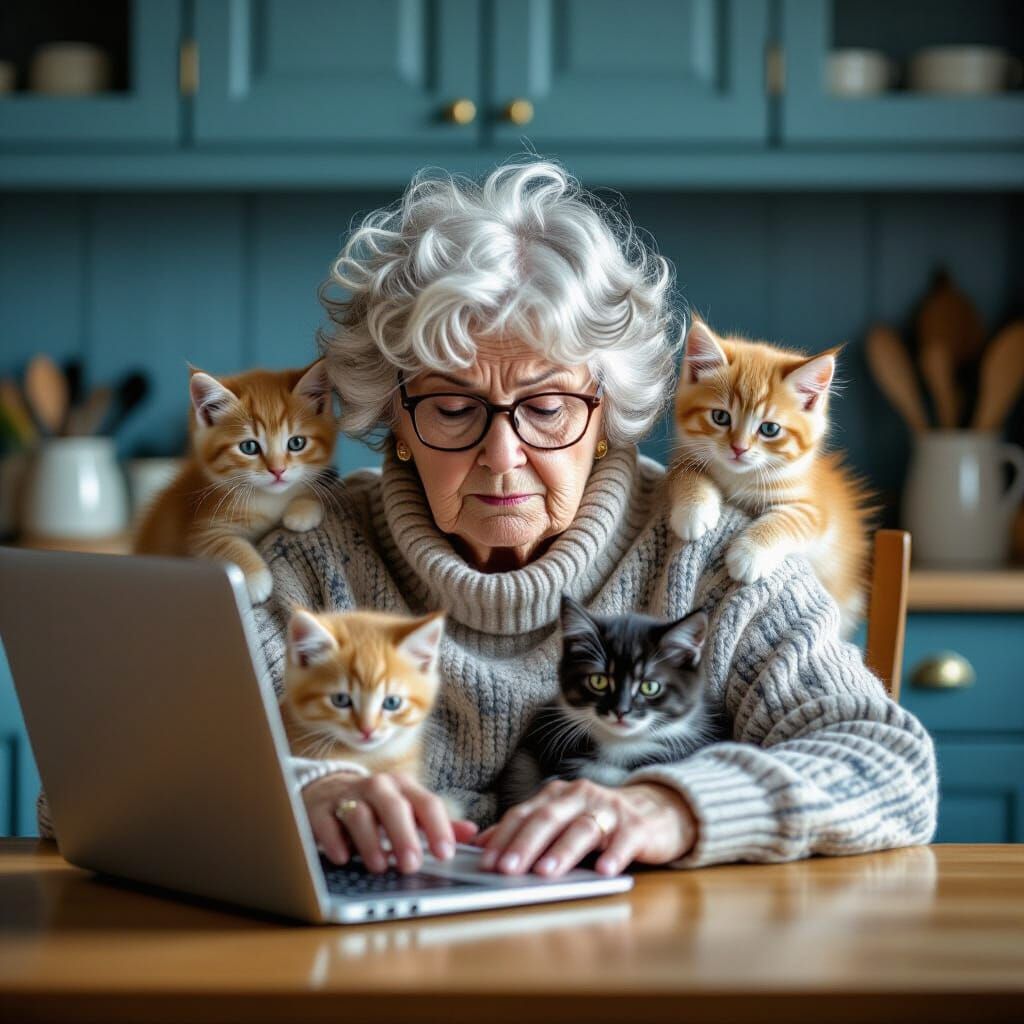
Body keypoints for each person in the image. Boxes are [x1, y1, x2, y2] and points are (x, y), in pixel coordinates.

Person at [38, 161, 938, 876]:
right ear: (392, 417)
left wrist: (670, 808)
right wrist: (304, 791)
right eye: (453, 407)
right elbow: (91, 799)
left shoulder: (711, 552)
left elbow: (891, 771)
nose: (502, 457)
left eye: (547, 407)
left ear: (610, 408)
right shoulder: (305, 565)